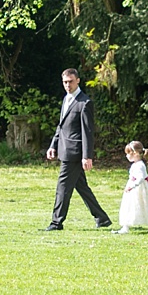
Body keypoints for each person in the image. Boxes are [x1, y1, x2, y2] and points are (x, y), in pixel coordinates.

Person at [45, 68, 110, 230]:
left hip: (74, 153)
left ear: (78, 81)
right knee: (81, 187)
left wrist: (87, 156)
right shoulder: (66, 99)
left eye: (70, 82)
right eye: (65, 82)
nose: (67, 85)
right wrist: (53, 145)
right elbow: (61, 127)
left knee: (63, 188)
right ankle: (102, 218)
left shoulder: (84, 102)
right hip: (64, 149)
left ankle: (56, 222)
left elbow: (87, 132)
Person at [118, 140, 148, 235]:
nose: (126, 156)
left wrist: (132, 186)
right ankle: (125, 226)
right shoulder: (136, 165)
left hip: (140, 189)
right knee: (129, 206)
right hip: (134, 188)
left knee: (145, 206)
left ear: (135, 153)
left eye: (128, 153)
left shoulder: (140, 165)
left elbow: (141, 178)